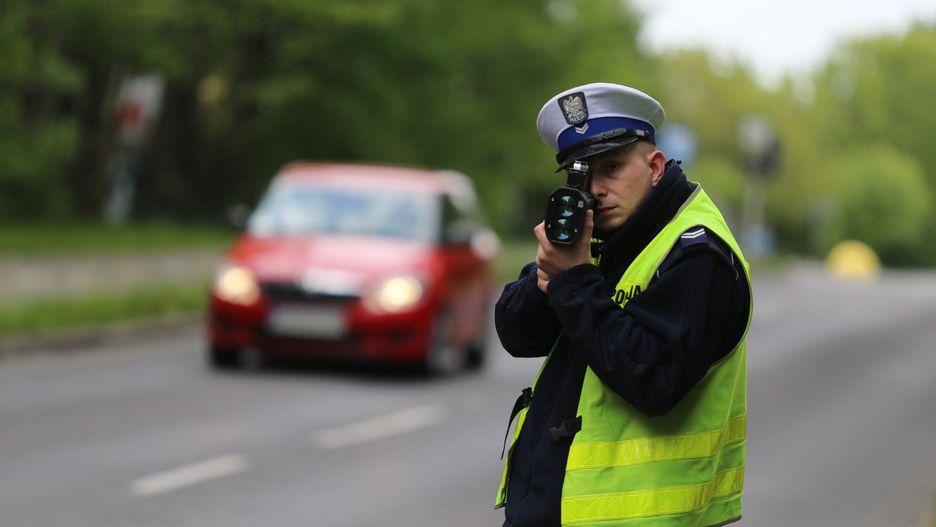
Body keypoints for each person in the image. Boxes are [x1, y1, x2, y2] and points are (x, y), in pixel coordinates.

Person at [494, 82, 752, 527]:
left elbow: (653, 377)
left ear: (654, 166)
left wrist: (574, 281)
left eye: (612, 167)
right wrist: (547, 275)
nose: (595, 190)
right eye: (583, 173)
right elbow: (516, 334)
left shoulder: (697, 253)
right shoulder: (600, 237)